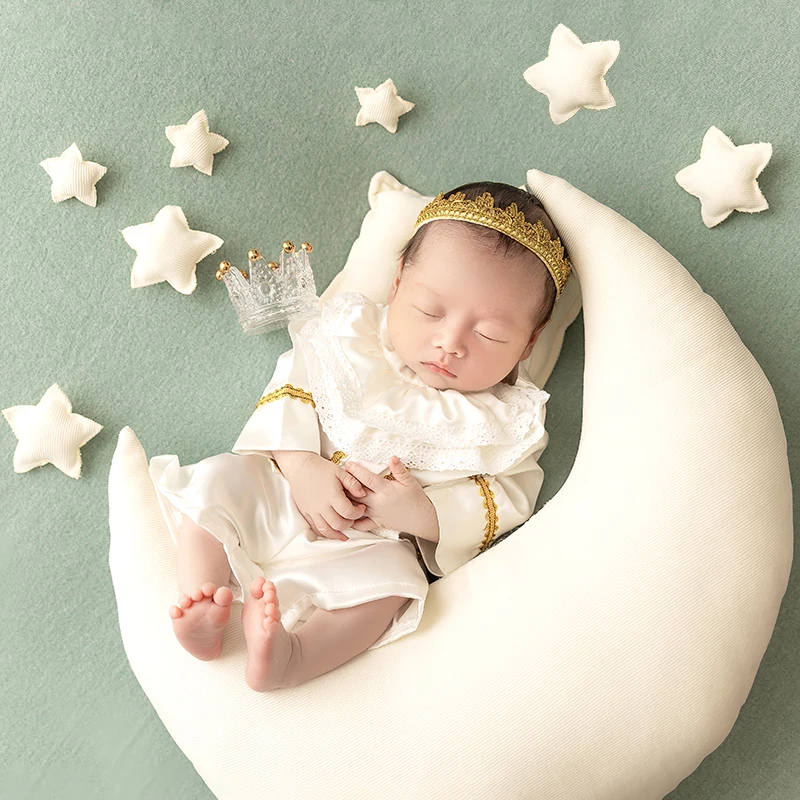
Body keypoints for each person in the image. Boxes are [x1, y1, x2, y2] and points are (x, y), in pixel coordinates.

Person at [148, 180, 573, 692]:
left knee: (394, 587)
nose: (449, 342)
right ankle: (203, 597)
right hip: (286, 492)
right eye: (429, 311)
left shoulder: (509, 422)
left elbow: (506, 500)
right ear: (396, 288)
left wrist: (419, 513)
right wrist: (302, 466)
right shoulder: (350, 335)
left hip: (371, 543)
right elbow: (292, 385)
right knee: (221, 480)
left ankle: (295, 657)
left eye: (489, 335)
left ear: (527, 344)